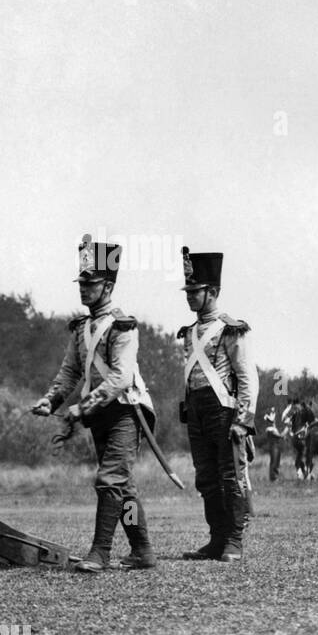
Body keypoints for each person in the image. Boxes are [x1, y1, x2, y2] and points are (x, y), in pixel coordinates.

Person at [30, 235, 157, 572]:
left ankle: (99, 553)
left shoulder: (123, 327)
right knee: (123, 488)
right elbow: (68, 373)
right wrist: (50, 400)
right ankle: (142, 551)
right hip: (101, 414)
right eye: (82, 283)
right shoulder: (81, 328)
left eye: (92, 283)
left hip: (127, 411)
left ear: (109, 286)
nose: (84, 290)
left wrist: (82, 408)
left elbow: (120, 378)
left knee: (111, 480)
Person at [176, 247, 257, 561]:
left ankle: (234, 540)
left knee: (230, 476)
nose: (190, 296)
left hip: (224, 412)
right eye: (189, 291)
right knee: (206, 478)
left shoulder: (230, 328)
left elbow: (247, 377)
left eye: (196, 291)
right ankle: (217, 539)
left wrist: (243, 419)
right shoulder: (190, 332)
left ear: (213, 291)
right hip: (197, 411)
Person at [261, 406, 284, 482]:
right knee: (274, 462)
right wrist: (282, 435)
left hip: (276, 446)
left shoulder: (274, 428)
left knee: (276, 461)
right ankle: (273, 478)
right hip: (273, 446)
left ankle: (275, 477)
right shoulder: (269, 429)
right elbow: (277, 435)